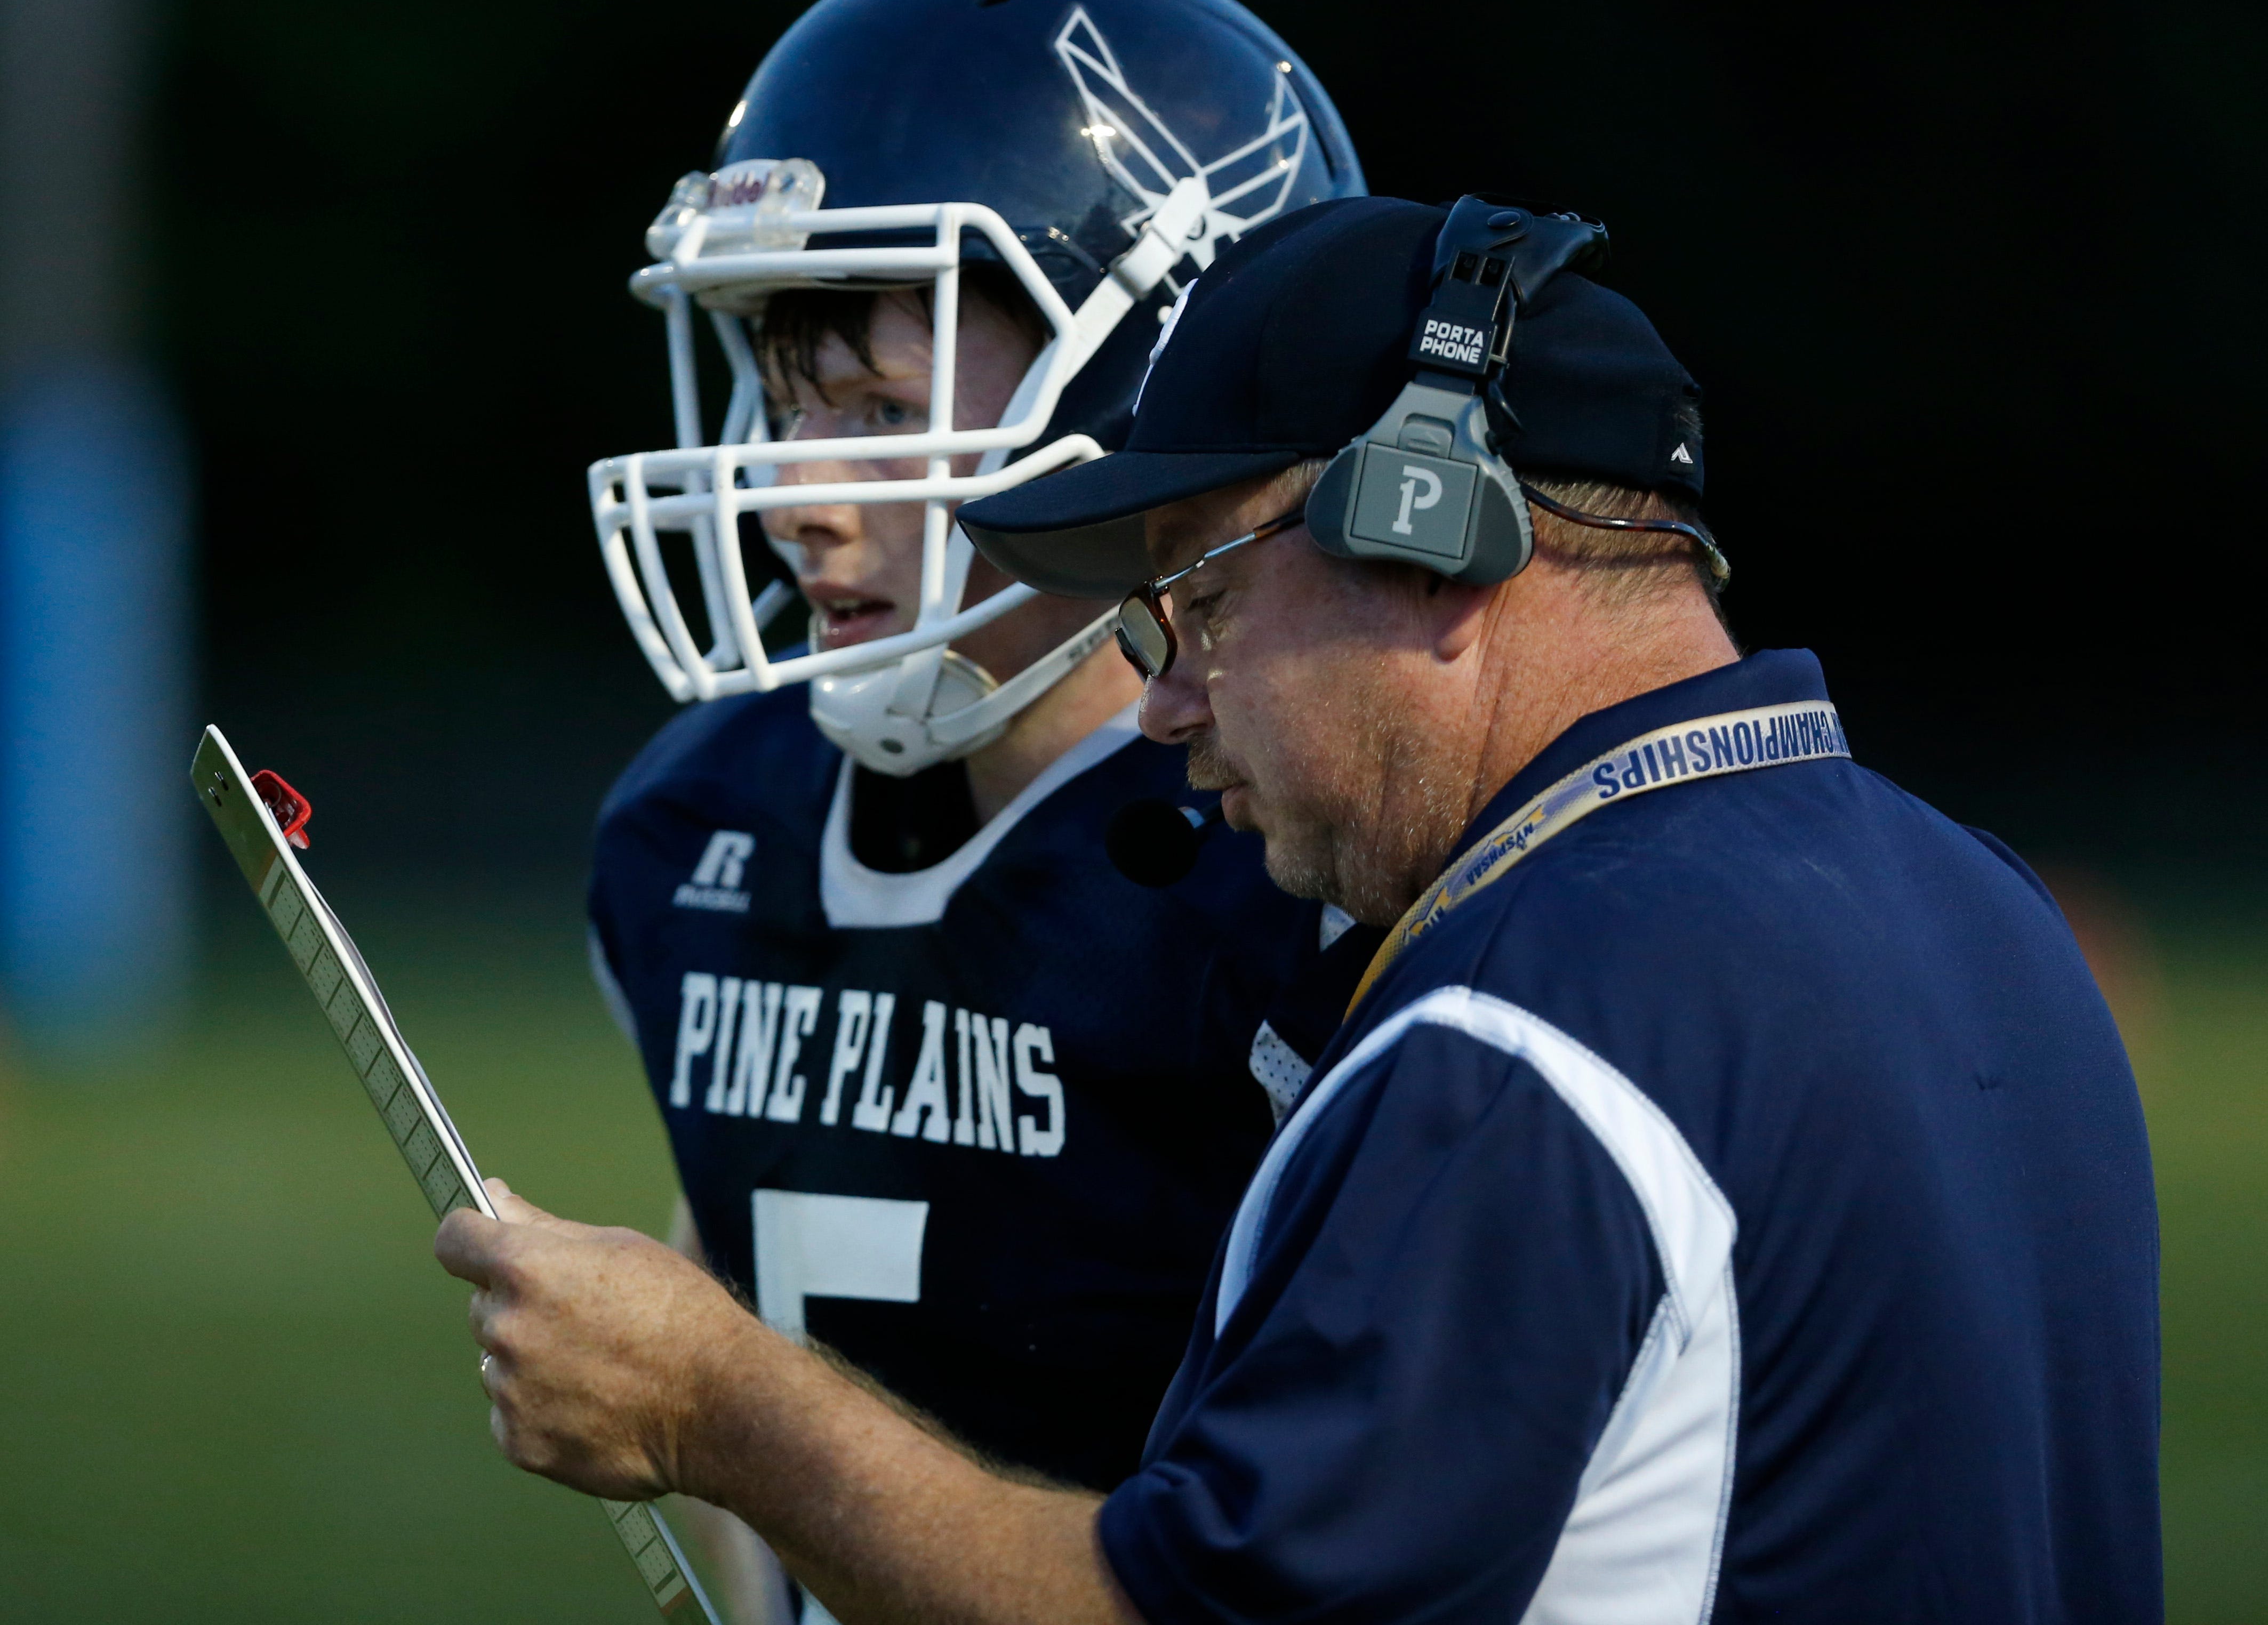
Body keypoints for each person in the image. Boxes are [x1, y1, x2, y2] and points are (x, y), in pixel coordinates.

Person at [447, 195, 2161, 1621]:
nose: (1168, 704)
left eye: (1194, 599)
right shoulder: (1988, 909)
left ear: (1429, 538)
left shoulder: (1525, 1038)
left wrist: (717, 1406)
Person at [578, 0, 1369, 1618]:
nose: (797, 491)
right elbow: (742, 1246)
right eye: (781, 402)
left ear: (1142, 389)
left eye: (878, 404)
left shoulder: (1297, 866)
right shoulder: (692, 826)